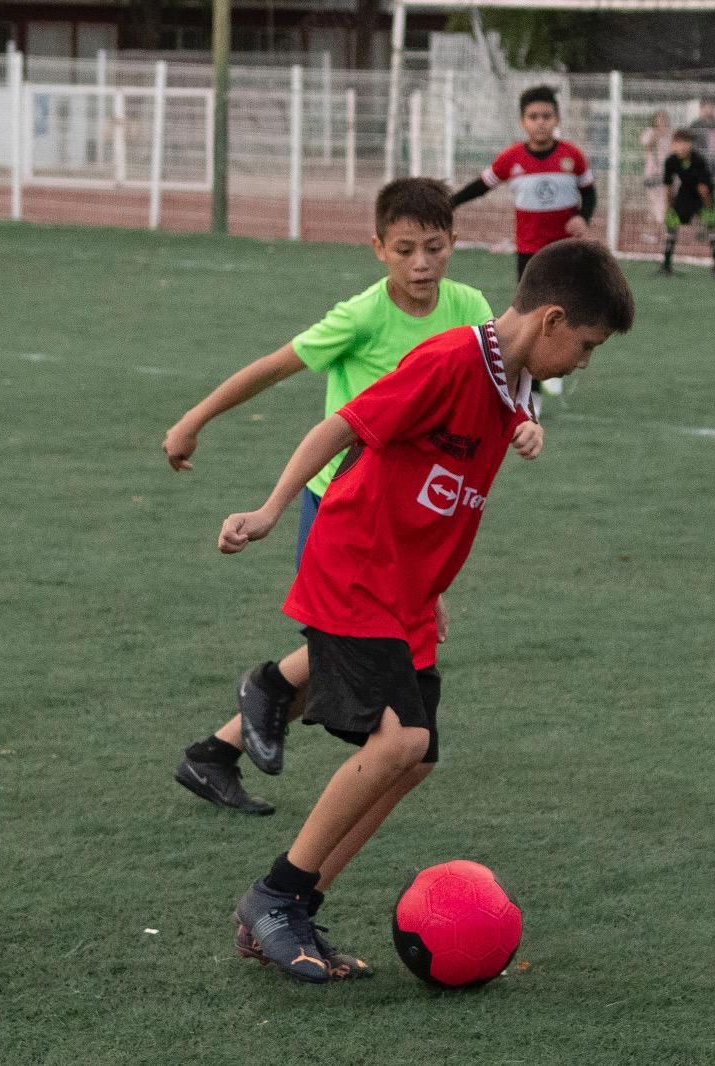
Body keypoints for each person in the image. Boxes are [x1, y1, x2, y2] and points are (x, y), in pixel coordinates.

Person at [221, 239, 634, 983]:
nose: (584, 362)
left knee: (417, 761)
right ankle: (273, 898)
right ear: (552, 319)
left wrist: (433, 592)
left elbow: (440, 494)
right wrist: (272, 507)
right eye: (587, 345)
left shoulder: (513, 388)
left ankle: (296, 900)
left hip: (406, 595)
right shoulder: (452, 360)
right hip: (355, 569)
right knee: (401, 741)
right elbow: (340, 426)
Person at [164, 178, 498, 816]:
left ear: (455, 241)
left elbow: (499, 383)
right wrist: (193, 419)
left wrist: (528, 418)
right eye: (405, 250)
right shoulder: (363, 315)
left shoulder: (470, 306)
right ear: (377, 248)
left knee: (356, 650)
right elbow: (273, 366)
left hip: (409, 518)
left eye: (435, 246)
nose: (422, 263)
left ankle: (214, 753)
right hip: (341, 505)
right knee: (355, 647)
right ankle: (258, 694)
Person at [451, 85, 597, 404]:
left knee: (566, 312)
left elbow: (589, 192)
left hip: (566, 251)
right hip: (529, 253)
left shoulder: (572, 157)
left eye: (547, 116)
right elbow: (482, 185)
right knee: (532, 316)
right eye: (533, 117)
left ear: (556, 118)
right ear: (523, 122)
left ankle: (560, 365)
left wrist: (583, 217)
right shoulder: (511, 159)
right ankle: (533, 384)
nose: (540, 122)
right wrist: (450, 203)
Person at [658, 129, 715, 278]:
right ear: (673, 145)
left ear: (691, 145)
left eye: (686, 143)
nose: (682, 147)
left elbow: (703, 189)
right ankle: (666, 265)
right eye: (678, 143)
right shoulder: (671, 161)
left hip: (703, 197)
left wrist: (707, 209)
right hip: (685, 193)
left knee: (710, 228)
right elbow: (668, 186)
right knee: (672, 223)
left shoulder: (698, 160)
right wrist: (670, 207)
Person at [639, 109, 673, 237]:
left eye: (664, 118)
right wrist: (657, 135)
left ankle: (665, 231)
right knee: (654, 203)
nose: (662, 121)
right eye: (659, 118)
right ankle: (650, 231)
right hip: (652, 173)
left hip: (666, 173)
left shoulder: (670, 135)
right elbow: (647, 146)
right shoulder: (650, 132)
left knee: (666, 202)